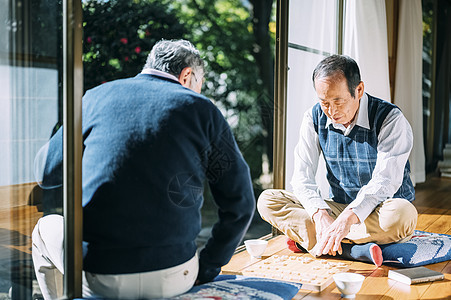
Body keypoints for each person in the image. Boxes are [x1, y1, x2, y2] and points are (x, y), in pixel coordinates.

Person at [32, 39, 255, 299]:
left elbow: (45, 173)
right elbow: (241, 204)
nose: (198, 94)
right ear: (187, 75)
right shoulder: (202, 110)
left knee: (45, 228)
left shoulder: (95, 98)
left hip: (100, 275)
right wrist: (207, 267)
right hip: (175, 276)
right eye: (199, 86)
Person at [258, 55, 417, 265]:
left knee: (403, 215)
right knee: (267, 200)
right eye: (324, 103)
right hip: (338, 208)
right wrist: (320, 215)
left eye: (338, 101)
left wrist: (348, 218)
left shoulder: (390, 118)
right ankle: (355, 249)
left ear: (358, 90)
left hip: (380, 210)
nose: (331, 112)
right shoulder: (314, 117)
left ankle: (319, 242)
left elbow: (385, 181)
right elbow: (301, 178)